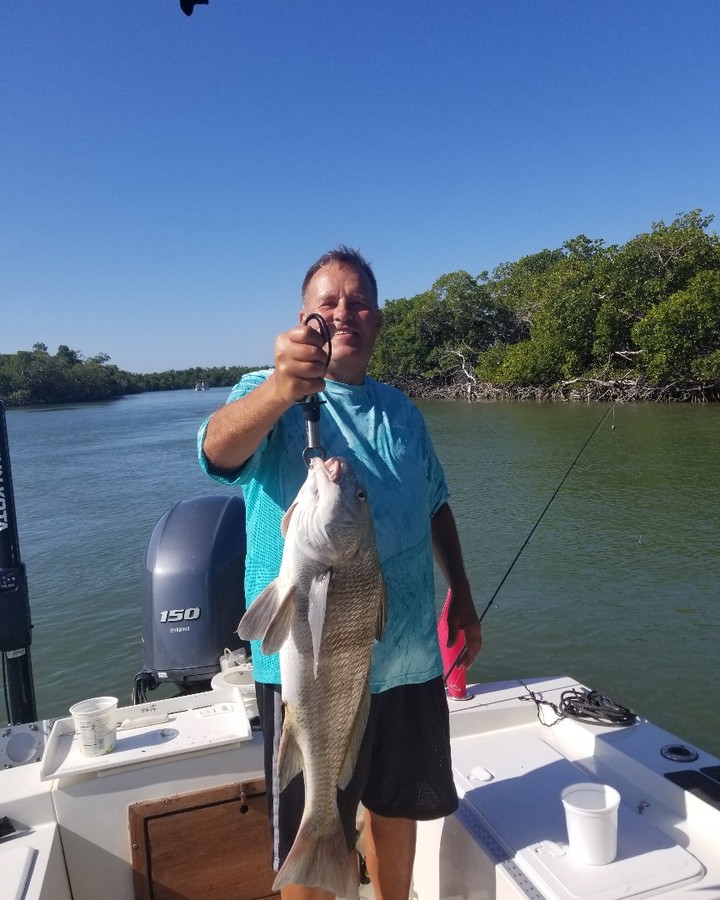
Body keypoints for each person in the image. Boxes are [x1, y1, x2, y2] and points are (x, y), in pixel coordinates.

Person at [198, 247, 481, 900]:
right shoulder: (264, 393)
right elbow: (217, 450)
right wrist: (277, 388)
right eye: (328, 302)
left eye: (357, 302)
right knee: (314, 824)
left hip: (408, 655)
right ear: (305, 320)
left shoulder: (403, 412)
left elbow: (436, 501)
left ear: (377, 322)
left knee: (397, 810)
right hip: (313, 666)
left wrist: (462, 595)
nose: (343, 312)